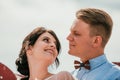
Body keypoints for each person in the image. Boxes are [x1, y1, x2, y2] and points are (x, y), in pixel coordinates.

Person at [67, 8, 120, 80]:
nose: (68, 38)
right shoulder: (70, 75)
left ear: (96, 41)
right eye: (71, 32)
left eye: (76, 34)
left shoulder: (116, 75)